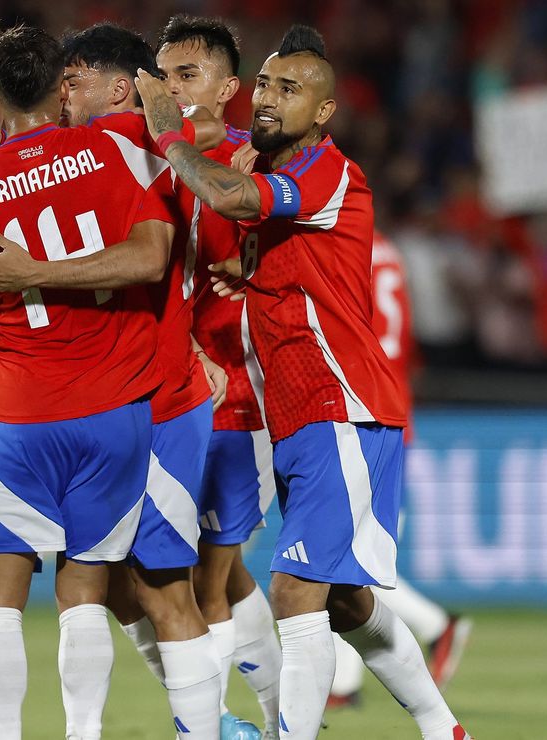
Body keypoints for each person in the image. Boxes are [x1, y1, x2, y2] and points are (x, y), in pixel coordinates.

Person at [134, 24, 472, 740]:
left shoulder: (326, 170)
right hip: (297, 414)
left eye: (290, 90)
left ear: (322, 113)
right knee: (345, 602)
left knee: (295, 593)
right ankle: (446, 730)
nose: (268, 98)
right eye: (264, 83)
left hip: (340, 404)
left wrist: (170, 136)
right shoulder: (273, 172)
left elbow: (229, 195)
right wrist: (246, 275)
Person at [0, 21, 234, 739]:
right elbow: (157, 239)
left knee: (9, 595)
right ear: (59, 83)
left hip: (55, 406)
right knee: (98, 588)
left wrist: (24, 278)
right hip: (120, 406)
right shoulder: (126, 147)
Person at [155, 16, 283, 739]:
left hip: (239, 396)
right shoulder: (145, 163)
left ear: (229, 88)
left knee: (209, 577)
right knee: (218, 577)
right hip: (165, 394)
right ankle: (275, 717)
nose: (173, 89)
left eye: (190, 75)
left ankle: (208, 729)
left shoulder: (255, 166)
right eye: (165, 75)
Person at [329, 230, 473, 707]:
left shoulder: (336, 242)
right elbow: (406, 340)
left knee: (347, 553)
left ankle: (437, 623)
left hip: (360, 401)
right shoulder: (390, 250)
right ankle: (345, 686)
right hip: (391, 399)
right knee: (345, 552)